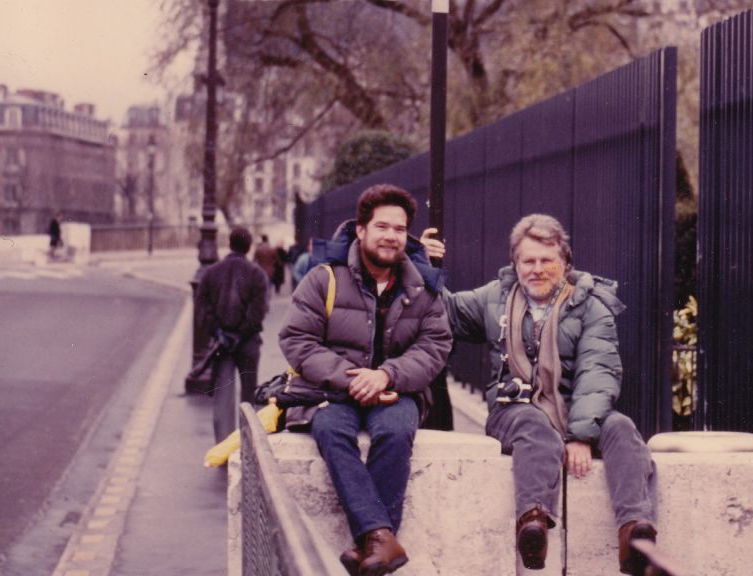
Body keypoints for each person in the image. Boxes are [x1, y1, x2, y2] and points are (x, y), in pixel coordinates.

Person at [422, 214, 662, 575]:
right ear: (515, 263)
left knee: (623, 429)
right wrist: (421, 264)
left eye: (546, 260)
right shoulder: (495, 298)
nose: (536, 269)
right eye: (527, 261)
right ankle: (533, 522)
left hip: (576, 409)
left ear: (565, 263)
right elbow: (445, 313)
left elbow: (598, 372)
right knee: (534, 426)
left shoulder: (592, 306)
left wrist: (581, 435)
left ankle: (635, 532)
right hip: (514, 409)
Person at [278, 184, 452, 576]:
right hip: (333, 391)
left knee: (395, 433)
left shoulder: (423, 286)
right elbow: (296, 338)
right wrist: (349, 377)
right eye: (381, 227)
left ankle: (369, 545)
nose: (391, 236)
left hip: (396, 392)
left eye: (399, 229)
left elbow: (436, 345)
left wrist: (387, 374)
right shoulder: (324, 278)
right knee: (329, 431)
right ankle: (380, 537)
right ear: (361, 231)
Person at [195, 227, 270, 442]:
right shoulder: (257, 274)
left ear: (229, 244)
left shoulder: (212, 272)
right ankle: (246, 442)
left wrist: (218, 330)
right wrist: (242, 333)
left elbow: (202, 307)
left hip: (221, 343)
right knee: (248, 394)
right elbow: (258, 311)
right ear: (248, 247)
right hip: (247, 342)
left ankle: (223, 443)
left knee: (222, 395)